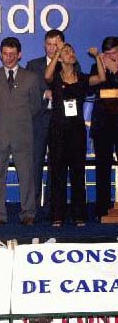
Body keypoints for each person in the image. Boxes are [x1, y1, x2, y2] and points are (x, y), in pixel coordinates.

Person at [46, 43, 105, 227]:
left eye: (72, 51)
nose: (71, 54)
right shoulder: (55, 78)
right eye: (67, 52)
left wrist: (97, 57)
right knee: (58, 174)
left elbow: (102, 78)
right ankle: (58, 215)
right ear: (61, 58)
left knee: (78, 173)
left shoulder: (82, 78)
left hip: (77, 131)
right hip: (57, 132)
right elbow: (46, 76)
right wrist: (56, 53)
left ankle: (79, 215)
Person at [0, 37, 41, 226]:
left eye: (12, 54)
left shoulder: (31, 78)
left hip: (23, 134)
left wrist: (20, 120)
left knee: (26, 175)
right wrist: (2, 121)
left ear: (19, 55)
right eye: (5, 54)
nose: (8, 58)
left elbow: (36, 106)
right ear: (0, 55)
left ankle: (28, 213)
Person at [25, 29, 77, 218]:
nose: (52, 48)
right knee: (35, 163)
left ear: (63, 45)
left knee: (57, 165)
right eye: (49, 44)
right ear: (44, 45)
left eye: (56, 45)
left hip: (62, 123)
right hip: (38, 120)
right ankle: (32, 207)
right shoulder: (33, 65)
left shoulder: (71, 63)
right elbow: (26, 93)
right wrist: (44, 94)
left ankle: (52, 206)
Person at [89, 36, 118, 219]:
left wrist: (116, 72)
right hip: (103, 124)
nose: (110, 57)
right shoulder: (96, 67)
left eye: (114, 53)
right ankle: (102, 207)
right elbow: (98, 91)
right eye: (107, 54)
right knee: (103, 167)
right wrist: (105, 71)